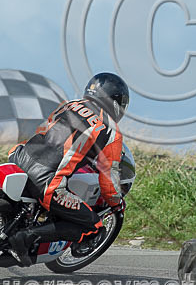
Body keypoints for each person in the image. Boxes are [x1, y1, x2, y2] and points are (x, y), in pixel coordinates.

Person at [7, 72, 129, 266]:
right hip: (47, 181)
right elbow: (108, 178)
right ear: (116, 103)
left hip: (18, 156)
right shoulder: (111, 131)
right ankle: (25, 237)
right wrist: (116, 203)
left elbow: (43, 130)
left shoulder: (69, 104)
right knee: (92, 226)